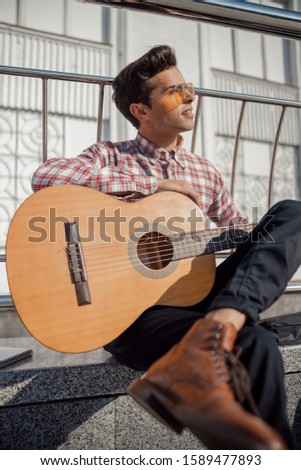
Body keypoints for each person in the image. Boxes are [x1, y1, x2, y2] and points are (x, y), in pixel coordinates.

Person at [31, 45, 299, 450]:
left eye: (188, 88)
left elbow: (241, 232)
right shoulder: (109, 156)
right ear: (140, 110)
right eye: (175, 92)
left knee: (292, 213)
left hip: (196, 302)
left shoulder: (205, 171)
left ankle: (223, 322)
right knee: (257, 344)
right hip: (129, 317)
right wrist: (153, 186)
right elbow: (45, 176)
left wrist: (276, 232)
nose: (190, 97)